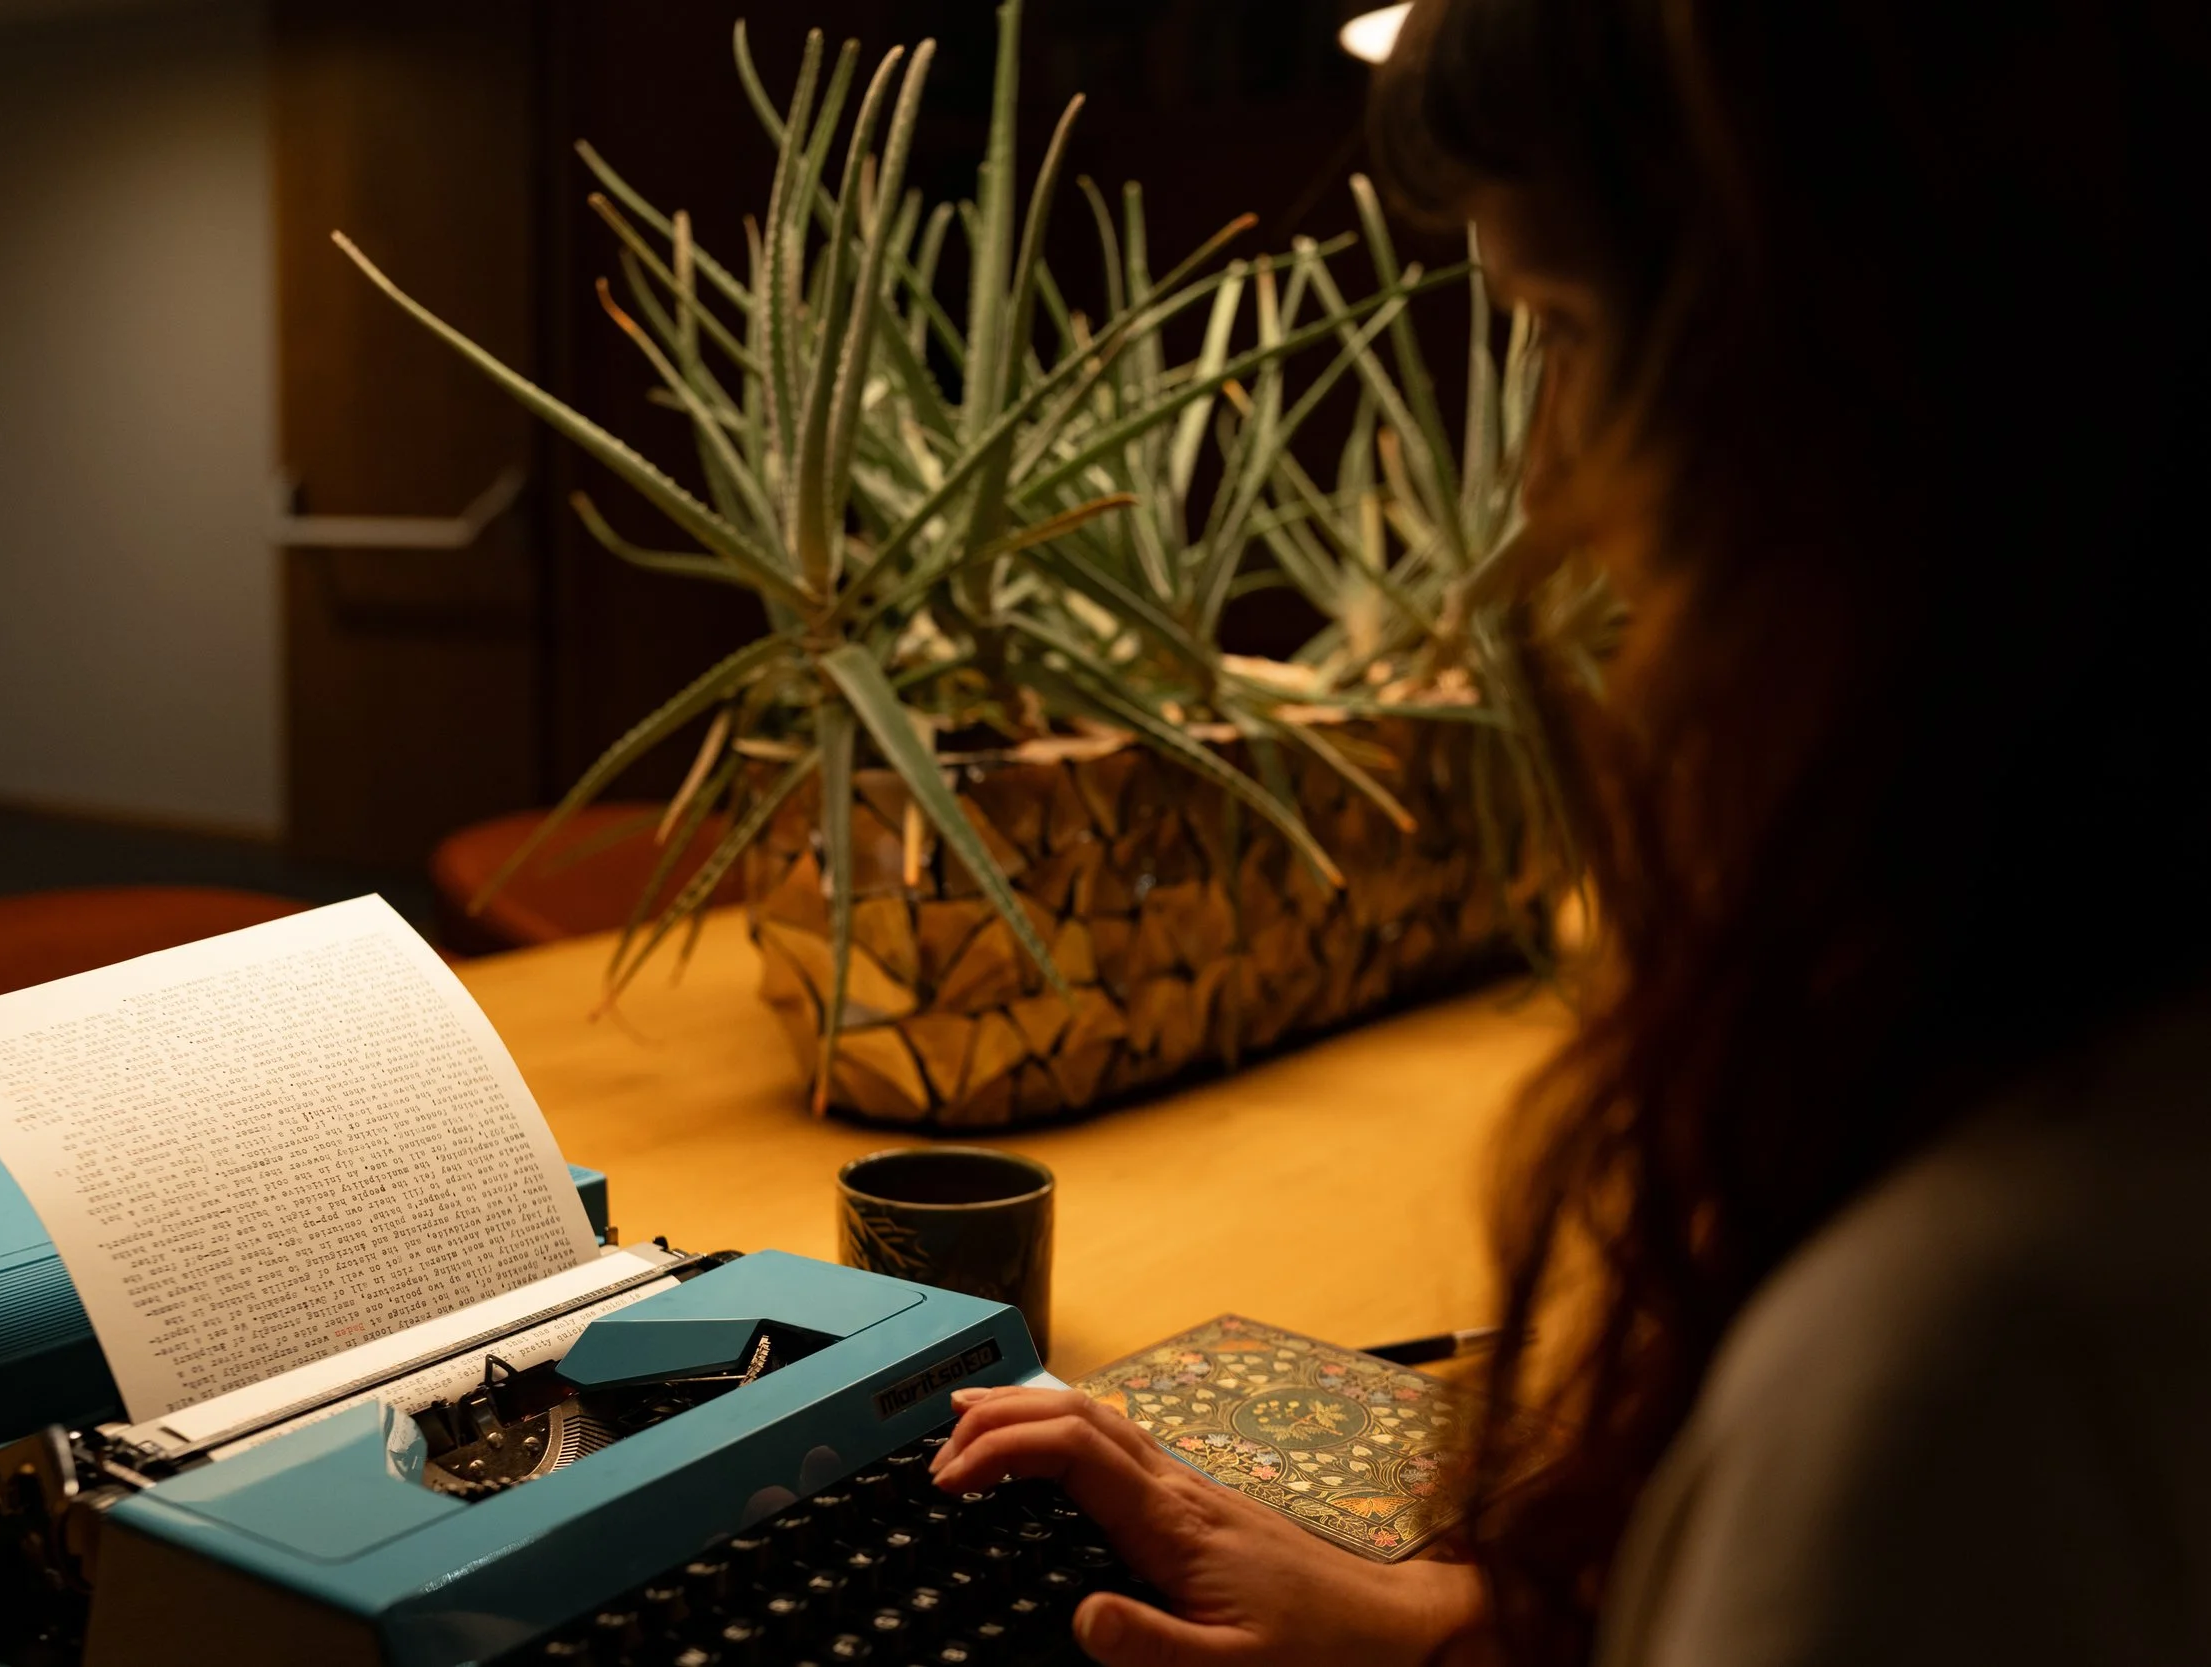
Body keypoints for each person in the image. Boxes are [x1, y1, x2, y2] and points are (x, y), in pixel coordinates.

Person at [929, 0, 2211, 1661]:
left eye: (1577, 333)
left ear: (1893, 407)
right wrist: (1448, 1630)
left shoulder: (1957, 1373)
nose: (1544, 499)